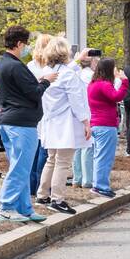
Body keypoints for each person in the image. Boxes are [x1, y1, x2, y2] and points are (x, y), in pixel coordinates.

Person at [0, 26, 52, 223]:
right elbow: (34, 92)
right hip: (21, 124)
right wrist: (46, 81)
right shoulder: (17, 66)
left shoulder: (3, 64)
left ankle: (24, 208)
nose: (27, 48)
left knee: (21, 167)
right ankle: (6, 207)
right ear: (19, 44)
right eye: (25, 44)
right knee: (20, 168)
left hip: (10, 122)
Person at [36, 37, 91, 216]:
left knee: (51, 159)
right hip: (66, 123)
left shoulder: (45, 72)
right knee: (63, 162)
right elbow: (77, 101)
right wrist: (86, 122)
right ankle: (57, 199)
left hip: (50, 121)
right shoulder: (68, 75)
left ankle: (42, 194)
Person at [87, 57, 128, 198]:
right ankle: (100, 186)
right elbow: (116, 96)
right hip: (105, 125)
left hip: (97, 123)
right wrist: (124, 82)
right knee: (104, 157)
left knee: (99, 156)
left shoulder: (93, 83)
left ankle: (98, 183)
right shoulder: (104, 84)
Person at [24, 33, 56, 199]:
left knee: (37, 154)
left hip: (40, 114)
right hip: (42, 114)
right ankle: (39, 188)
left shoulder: (31, 65)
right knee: (42, 154)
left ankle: (35, 187)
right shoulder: (43, 69)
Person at [70, 48, 99, 190]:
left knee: (78, 147)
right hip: (88, 112)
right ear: (92, 61)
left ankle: (77, 178)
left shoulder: (77, 73)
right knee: (87, 147)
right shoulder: (92, 76)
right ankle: (87, 180)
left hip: (77, 112)